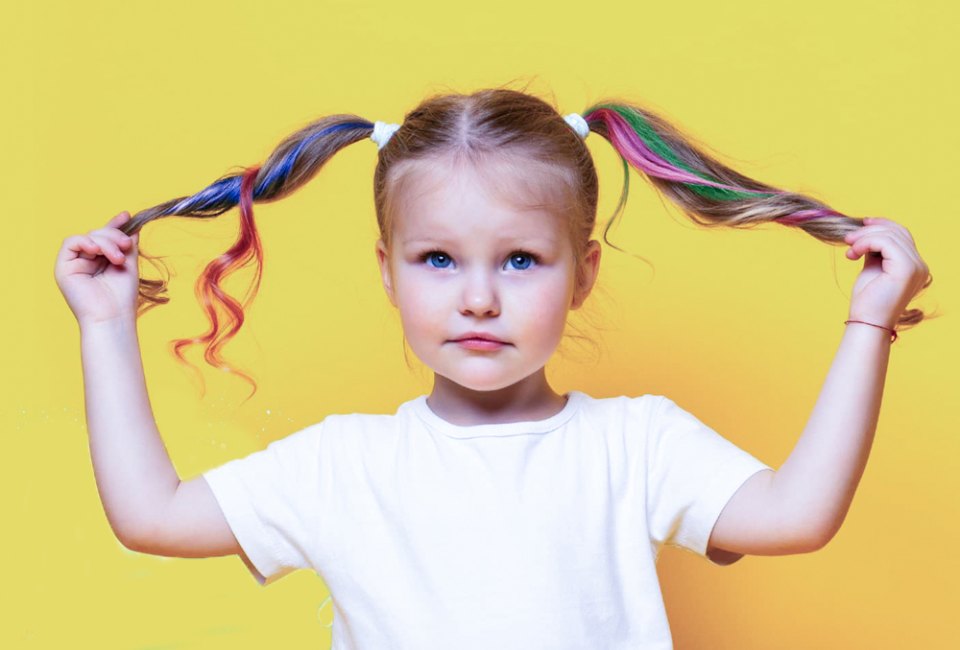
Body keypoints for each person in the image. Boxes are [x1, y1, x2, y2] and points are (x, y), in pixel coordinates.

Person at [54, 87, 932, 649]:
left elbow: (799, 514)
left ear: (583, 274)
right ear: (387, 271)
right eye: (438, 258)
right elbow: (153, 515)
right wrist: (104, 324)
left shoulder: (635, 444)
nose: (478, 298)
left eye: (519, 260)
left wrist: (868, 322)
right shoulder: (344, 464)